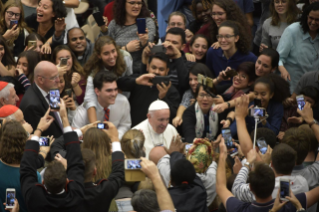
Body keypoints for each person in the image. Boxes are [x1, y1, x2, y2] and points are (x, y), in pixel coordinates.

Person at [216, 138, 319, 212]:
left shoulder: (239, 208)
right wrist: (298, 206)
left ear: (250, 187)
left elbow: (221, 187)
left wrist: (222, 155)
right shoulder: (289, 205)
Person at [20, 100, 87, 212]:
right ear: (67, 182)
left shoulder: (34, 198)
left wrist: (39, 129)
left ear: (42, 183)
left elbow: (26, 168)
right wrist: (64, 118)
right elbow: (76, 163)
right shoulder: (76, 197)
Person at [117, 53, 180, 127]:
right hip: (134, 130)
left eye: (161, 69)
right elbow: (118, 83)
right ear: (147, 67)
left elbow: (172, 117)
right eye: (153, 67)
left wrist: (163, 98)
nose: (157, 72)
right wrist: (136, 81)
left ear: (167, 71)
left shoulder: (172, 90)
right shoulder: (140, 80)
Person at [232, 143, 309, 203]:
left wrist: (247, 163)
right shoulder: (303, 182)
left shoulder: (264, 187)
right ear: (294, 163)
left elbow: (236, 189)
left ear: (271, 164)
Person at [83, 35, 133, 123]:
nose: (111, 56)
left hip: (125, 99)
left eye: (113, 51)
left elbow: (130, 79)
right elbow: (89, 99)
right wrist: (95, 127)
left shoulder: (126, 58)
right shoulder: (94, 71)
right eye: (106, 53)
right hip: (104, 102)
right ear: (99, 55)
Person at [72, 71, 131, 139]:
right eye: (109, 90)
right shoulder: (82, 112)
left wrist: (114, 138)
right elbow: (76, 137)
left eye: (115, 89)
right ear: (97, 91)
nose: (114, 94)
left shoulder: (123, 102)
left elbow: (125, 125)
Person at [81, 121, 125, 212]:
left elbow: (58, 146)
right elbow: (119, 173)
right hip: (108, 206)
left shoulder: (78, 162)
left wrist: (79, 131)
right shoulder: (113, 160)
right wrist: (115, 139)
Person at [276, 2, 319, 93]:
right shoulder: (292, 30)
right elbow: (278, 57)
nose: (313, 22)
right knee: (298, 107)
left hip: (312, 92)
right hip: (291, 87)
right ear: (306, 16)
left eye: (317, 20)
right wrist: (282, 69)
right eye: (311, 18)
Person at [104, 0, 156, 73]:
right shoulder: (115, 24)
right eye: (132, 3)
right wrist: (125, 49)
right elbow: (104, 47)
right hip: (117, 70)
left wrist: (143, 43)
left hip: (140, 69)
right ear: (123, 4)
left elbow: (149, 43)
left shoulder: (147, 22)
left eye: (139, 3)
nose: (136, 6)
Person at [206, 20, 256, 89]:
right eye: (220, 36)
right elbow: (206, 81)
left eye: (227, 36)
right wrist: (218, 79)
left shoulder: (250, 58)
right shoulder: (212, 52)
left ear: (236, 38)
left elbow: (255, 85)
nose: (223, 40)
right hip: (215, 94)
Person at [143, 27, 192, 96]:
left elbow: (184, 86)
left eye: (174, 43)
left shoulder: (189, 63)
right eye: (168, 41)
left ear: (183, 47)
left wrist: (178, 56)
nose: (169, 45)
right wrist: (145, 57)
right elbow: (143, 81)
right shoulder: (157, 59)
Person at [19, 61, 63, 138]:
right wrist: (70, 135)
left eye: (58, 75)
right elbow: (41, 139)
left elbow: (59, 119)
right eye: (53, 78)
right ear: (41, 80)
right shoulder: (32, 106)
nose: (58, 80)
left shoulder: (52, 89)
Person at [173, 63, 213, 128]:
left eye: (196, 79)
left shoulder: (214, 92)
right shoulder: (189, 93)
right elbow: (183, 105)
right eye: (190, 79)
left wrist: (197, 103)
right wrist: (178, 116)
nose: (192, 83)